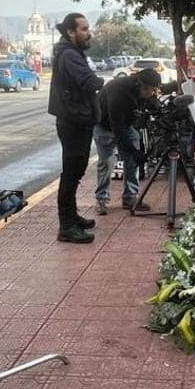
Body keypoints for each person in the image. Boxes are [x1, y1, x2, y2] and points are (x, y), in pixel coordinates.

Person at [48, 12, 105, 244]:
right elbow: (88, 81)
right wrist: (102, 82)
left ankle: (72, 218)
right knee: (71, 173)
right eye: (83, 29)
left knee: (76, 171)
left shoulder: (71, 52)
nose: (87, 33)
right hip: (73, 121)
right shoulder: (69, 55)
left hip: (77, 119)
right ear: (70, 31)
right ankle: (67, 226)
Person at [93, 69, 161, 215]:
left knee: (132, 162)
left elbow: (146, 106)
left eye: (155, 90)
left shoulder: (142, 90)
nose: (153, 93)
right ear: (141, 86)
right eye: (151, 90)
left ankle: (130, 198)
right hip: (104, 124)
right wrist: (134, 151)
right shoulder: (118, 92)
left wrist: (153, 106)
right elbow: (118, 130)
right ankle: (101, 199)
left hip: (125, 124)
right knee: (107, 162)